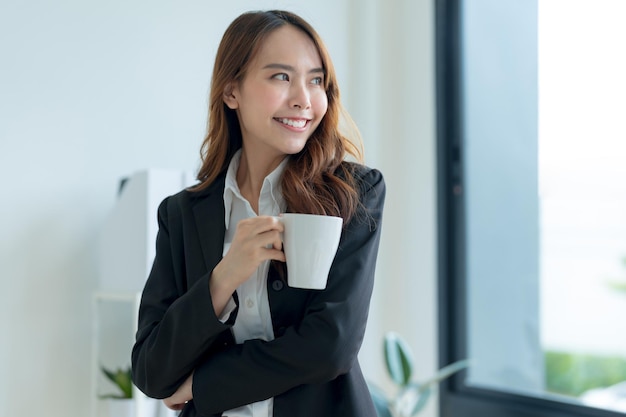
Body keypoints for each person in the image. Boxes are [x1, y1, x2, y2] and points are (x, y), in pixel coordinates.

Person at [131, 9, 386, 417]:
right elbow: (150, 371)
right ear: (232, 91)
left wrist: (202, 384)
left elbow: (329, 346)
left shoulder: (354, 192)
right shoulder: (181, 215)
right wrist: (224, 276)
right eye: (281, 76)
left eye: (316, 80)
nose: (304, 98)